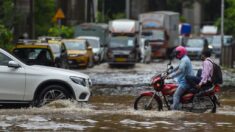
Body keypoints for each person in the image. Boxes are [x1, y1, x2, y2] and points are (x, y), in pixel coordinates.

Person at [167, 46, 194, 110]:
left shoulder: (184, 60)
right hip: (186, 80)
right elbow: (178, 67)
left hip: (185, 82)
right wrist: (170, 72)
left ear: (181, 53)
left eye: (177, 53)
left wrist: (171, 76)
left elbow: (180, 70)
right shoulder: (185, 58)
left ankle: (174, 110)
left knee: (176, 95)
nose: (176, 55)